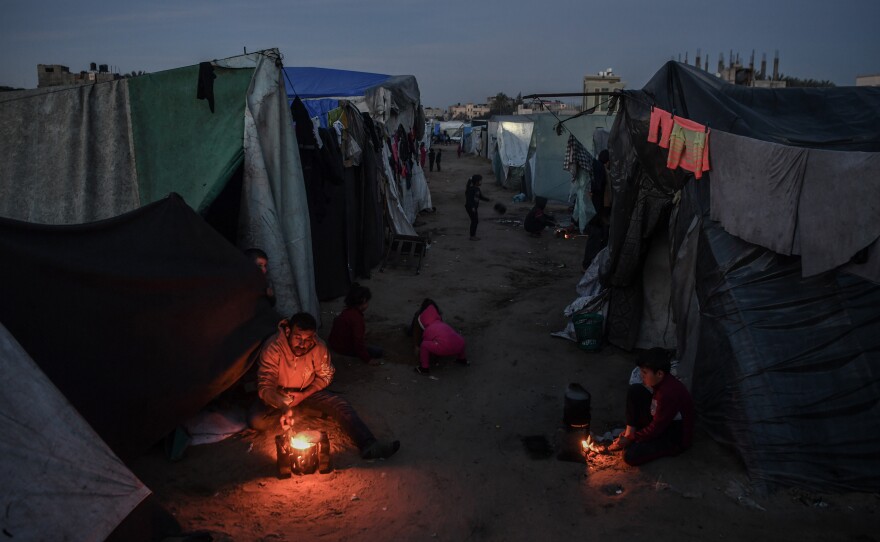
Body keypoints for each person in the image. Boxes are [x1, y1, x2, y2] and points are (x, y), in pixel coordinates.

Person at [248, 312, 400, 459]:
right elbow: (265, 386)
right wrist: (282, 405)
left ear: (313, 335)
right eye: (298, 337)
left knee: (340, 405)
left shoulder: (319, 348)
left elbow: (326, 375)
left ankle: (370, 445)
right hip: (278, 394)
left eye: (308, 339)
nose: (302, 344)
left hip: (306, 391)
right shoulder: (273, 348)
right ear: (288, 331)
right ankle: (299, 411)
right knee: (256, 420)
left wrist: (304, 394)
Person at [606, 348, 695, 466]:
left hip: (673, 436)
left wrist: (633, 438)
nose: (642, 376)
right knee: (635, 390)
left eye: (644, 372)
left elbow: (656, 428)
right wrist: (630, 435)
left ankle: (631, 440)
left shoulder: (668, 393)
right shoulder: (661, 382)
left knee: (630, 456)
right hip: (662, 420)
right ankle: (629, 433)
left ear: (659, 373)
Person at [327, 283, 382, 365]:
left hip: (335, 344)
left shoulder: (346, 312)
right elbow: (358, 343)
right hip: (344, 348)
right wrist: (368, 360)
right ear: (363, 301)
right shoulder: (357, 318)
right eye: (367, 302)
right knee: (378, 351)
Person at [412, 299, 467, 375]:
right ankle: (462, 359)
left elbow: (426, 343)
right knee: (458, 339)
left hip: (444, 348)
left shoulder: (428, 328)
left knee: (424, 345)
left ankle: (424, 368)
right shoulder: (441, 323)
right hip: (459, 345)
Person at [464, 174, 490, 241]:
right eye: (480, 181)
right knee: (474, 221)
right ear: (476, 182)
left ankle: (473, 235)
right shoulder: (471, 190)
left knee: (475, 221)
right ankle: (472, 236)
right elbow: (469, 200)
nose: (481, 182)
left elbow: (480, 197)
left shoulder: (477, 189)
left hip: (473, 208)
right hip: (470, 208)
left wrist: (488, 200)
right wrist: (472, 207)